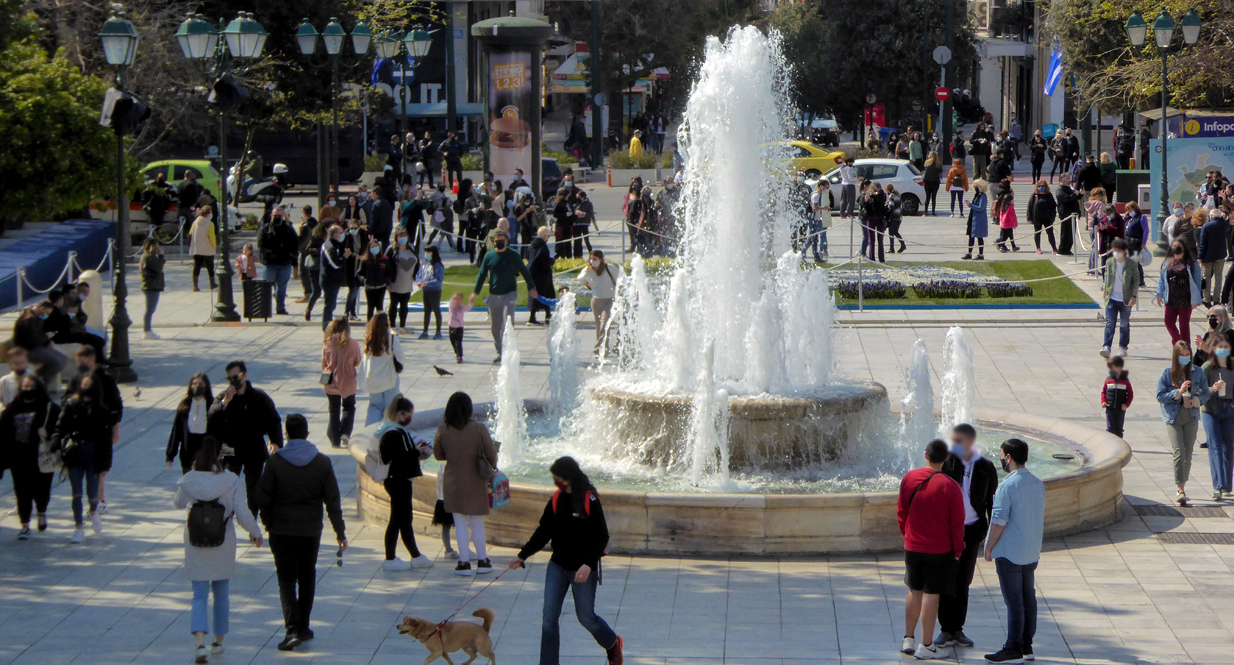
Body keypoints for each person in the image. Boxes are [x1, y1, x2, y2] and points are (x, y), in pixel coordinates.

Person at [509, 456, 624, 665]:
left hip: (582, 568)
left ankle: (612, 643)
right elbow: (544, 531)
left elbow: (602, 537)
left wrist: (588, 565)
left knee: (586, 618)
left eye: (558, 479)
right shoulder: (556, 500)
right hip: (557, 565)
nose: (556, 483)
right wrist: (522, 555)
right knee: (548, 619)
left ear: (569, 478)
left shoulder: (589, 501)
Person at [255, 414, 347, 652]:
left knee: (286, 579)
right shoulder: (322, 463)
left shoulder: (275, 463)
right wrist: (340, 533)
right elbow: (333, 501)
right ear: (307, 434)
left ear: (286, 434)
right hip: (310, 531)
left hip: (281, 530)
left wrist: (268, 522)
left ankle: (291, 630)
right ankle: (303, 627)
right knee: (306, 577)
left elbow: (262, 496)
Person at [174, 436, 263, 664]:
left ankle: (200, 644)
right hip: (222, 541)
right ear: (219, 456)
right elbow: (242, 513)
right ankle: (218, 641)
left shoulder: (189, 480)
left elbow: (178, 502)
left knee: (199, 595)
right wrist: (255, 531)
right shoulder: (231, 480)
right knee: (221, 592)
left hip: (196, 542)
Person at [896, 439, 965, 660]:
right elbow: (957, 523)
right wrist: (958, 549)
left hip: (913, 546)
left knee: (914, 591)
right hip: (939, 549)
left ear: (926, 454)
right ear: (946, 458)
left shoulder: (909, 478)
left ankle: (908, 638)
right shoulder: (950, 486)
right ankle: (926, 645)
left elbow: (901, 512)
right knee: (931, 595)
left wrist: (907, 535)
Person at [982, 439, 1047, 664]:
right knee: (1029, 598)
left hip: (1010, 553)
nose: (1001, 459)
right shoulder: (1037, 483)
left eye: (1002, 455)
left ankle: (1013, 647)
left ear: (1008, 457)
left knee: (1014, 602)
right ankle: (1027, 645)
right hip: (1030, 551)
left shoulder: (1007, 486)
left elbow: (998, 521)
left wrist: (989, 547)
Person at [935, 424, 997, 651]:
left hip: (971, 530)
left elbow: (991, 501)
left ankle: (957, 629)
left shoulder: (985, 467)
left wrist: (988, 531)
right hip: (948, 530)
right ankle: (944, 629)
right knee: (945, 581)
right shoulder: (947, 462)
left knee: (963, 582)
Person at [433, 391, 498, 576]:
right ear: (469, 409)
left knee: (459, 523)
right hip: (475, 480)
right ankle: (483, 560)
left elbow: (438, 455)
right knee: (477, 522)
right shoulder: (479, 429)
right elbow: (491, 456)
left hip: (453, 482)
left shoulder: (443, 429)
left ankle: (463, 563)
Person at [207, 360, 283, 517]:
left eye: (236, 376)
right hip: (229, 448)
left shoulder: (259, 397)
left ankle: (252, 520)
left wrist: (275, 442)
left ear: (245, 375)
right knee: (226, 486)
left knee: (254, 488)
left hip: (253, 448)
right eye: (230, 378)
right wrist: (224, 403)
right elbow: (211, 417)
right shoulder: (223, 397)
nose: (233, 381)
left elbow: (273, 421)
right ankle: (225, 518)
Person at [53, 375, 115, 543]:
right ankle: (78, 527)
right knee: (76, 494)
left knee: (92, 494)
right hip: (75, 454)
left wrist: (106, 464)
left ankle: (93, 512)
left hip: (94, 456)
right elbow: (60, 428)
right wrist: (56, 446)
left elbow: (106, 441)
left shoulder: (102, 410)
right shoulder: (71, 406)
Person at [377, 395, 435, 570]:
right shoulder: (395, 433)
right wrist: (417, 452)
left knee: (403, 519)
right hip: (399, 481)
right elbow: (400, 458)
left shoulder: (387, 429)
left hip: (394, 480)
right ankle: (393, 558)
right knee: (398, 519)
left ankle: (413, 555)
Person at [1, 375, 58, 539]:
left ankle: (41, 512)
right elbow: (2, 433)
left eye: (30, 387)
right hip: (19, 457)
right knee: (22, 491)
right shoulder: (13, 408)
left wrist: (48, 435)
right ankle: (24, 524)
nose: (27, 390)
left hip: (41, 457)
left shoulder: (49, 408)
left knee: (42, 490)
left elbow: (60, 429)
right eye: (24, 387)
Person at [1157, 340, 1211, 506]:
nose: (1185, 358)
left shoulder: (1197, 372)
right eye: (1182, 355)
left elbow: (1206, 393)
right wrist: (1178, 392)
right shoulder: (1168, 373)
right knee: (1179, 451)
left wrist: (1197, 400)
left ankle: (1183, 486)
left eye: (1187, 355)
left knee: (1187, 453)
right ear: (1176, 356)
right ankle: (1180, 490)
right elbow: (1160, 396)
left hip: (1191, 416)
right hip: (1173, 416)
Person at [471, 229, 537, 362]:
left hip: (510, 293)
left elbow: (524, 271)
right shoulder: (489, 256)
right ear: (493, 242)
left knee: (508, 321)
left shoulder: (513, 255)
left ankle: (509, 351)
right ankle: (500, 353)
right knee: (495, 326)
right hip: (494, 294)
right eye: (496, 241)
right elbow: (482, 275)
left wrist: (532, 287)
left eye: (501, 241)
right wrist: (475, 293)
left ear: (506, 241)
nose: (499, 243)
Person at [359, 312, 405, 426]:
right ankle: (389, 431)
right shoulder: (391, 338)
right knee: (390, 407)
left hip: (373, 378)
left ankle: (370, 430)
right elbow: (400, 358)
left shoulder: (368, 338)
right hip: (389, 378)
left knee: (375, 406)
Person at [321, 318, 361, 449]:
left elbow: (324, 362)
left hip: (331, 380)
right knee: (349, 407)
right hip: (348, 379)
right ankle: (345, 432)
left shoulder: (327, 343)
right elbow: (357, 361)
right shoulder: (352, 344)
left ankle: (334, 440)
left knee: (333, 410)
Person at [1202, 337, 1234, 500]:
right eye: (1219, 347)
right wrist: (1212, 389)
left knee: (1228, 446)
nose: (1223, 350)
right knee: (1214, 446)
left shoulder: (1232, 365)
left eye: (1225, 347)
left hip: (1228, 408)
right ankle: (1218, 486)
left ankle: (1227, 485)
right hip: (1210, 409)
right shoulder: (1208, 367)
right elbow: (1199, 389)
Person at [12, 304, 66, 397]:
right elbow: (33, 339)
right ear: (41, 308)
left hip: (37, 346)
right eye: (46, 312)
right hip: (26, 349)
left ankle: (50, 386)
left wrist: (48, 342)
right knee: (55, 362)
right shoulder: (28, 320)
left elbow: (39, 335)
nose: (46, 315)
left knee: (63, 358)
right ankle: (42, 386)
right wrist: (46, 337)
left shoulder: (36, 318)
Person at [1155, 240, 1202, 344]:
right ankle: (1179, 344)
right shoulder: (1167, 263)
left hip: (1186, 299)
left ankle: (1185, 352)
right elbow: (1162, 280)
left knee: (1184, 325)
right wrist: (1159, 294)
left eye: (1179, 246)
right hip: (1171, 298)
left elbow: (1197, 282)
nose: (1176, 248)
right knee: (1168, 322)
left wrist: (1197, 300)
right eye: (1174, 246)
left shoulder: (1191, 263)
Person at [1100, 238, 1141, 359]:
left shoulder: (1131, 264)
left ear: (1124, 251)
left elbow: (1136, 280)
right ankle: (1106, 347)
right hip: (1111, 298)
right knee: (1109, 323)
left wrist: (1134, 296)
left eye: (1118, 250)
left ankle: (1123, 347)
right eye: (1114, 250)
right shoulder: (1109, 262)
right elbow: (1107, 277)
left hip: (1125, 299)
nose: (1116, 252)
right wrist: (1105, 290)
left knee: (1124, 324)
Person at [167, 373, 214, 475]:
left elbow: (219, 430)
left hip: (206, 451)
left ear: (206, 386)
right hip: (188, 451)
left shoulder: (212, 404)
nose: (197, 386)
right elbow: (176, 431)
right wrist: (170, 455)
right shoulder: (185, 405)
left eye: (200, 384)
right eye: (194, 383)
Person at [259, 206, 299, 315]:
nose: (276, 218)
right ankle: (265, 308)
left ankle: (280, 307)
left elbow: (296, 243)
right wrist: (269, 254)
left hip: (284, 262)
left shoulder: (288, 228)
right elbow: (260, 245)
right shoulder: (265, 229)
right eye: (275, 215)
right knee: (267, 286)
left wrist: (293, 259)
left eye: (279, 216)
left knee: (282, 287)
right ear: (271, 216)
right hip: (270, 263)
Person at [385, 228, 418, 335]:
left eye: (404, 236)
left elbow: (417, 263)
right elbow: (385, 265)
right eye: (400, 236)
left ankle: (403, 326)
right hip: (395, 282)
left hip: (407, 282)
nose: (402, 238)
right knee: (394, 304)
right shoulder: (392, 249)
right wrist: (387, 282)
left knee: (404, 304)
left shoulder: (411, 248)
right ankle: (392, 326)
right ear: (396, 238)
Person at [318, 224, 350, 332]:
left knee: (332, 304)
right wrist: (344, 257)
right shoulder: (329, 246)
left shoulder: (336, 245)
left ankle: (329, 325)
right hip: (329, 281)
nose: (343, 235)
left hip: (335, 281)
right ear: (335, 234)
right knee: (329, 304)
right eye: (341, 233)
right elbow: (335, 264)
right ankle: (326, 327)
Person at [1199, 207, 1230, 307]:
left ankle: (1207, 298)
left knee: (1206, 277)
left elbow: (1202, 243)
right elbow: (1227, 224)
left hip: (1207, 256)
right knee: (1218, 277)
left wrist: (1200, 255)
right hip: (1220, 255)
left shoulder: (1206, 226)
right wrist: (1222, 218)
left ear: (1210, 216)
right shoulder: (1224, 225)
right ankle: (1217, 299)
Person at [528, 226, 557, 326]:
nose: (548, 238)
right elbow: (546, 262)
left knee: (533, 294)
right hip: (543, 275)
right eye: (548, 236)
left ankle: (532, 316)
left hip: (533, 274)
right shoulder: (543, 247)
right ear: (545, 236)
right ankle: (547, 315)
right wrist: (552, 260)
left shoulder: (531, 245)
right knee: (546, 294)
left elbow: (527, 256)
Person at [358, 238, 392, 321]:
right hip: (369, 287)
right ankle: (369, 326)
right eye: (372, 247)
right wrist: (364, 281)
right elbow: (359, 273)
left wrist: (386, 282)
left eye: (376, 246)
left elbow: (389, 272)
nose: (374, 248)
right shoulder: (365, 261)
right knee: (370, 307)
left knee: (379, 306)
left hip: (381, 286)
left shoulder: (384, 260)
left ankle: (381, 325)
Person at [416, 245, 445, 338]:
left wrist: (427, 283)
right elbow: (419, 275)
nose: (426, 254)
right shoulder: (424, 264)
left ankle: (438, 331)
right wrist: (419, 281)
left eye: (428, 252)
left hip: (435, 291)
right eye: (425, 252)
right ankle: (425, 331)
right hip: (426, 291)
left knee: (436, 309)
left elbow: (438, 280)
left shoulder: (437, 265)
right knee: (427, 311)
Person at [1101, 356, 1134, 438]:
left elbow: (1130, 394)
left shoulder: (1125, 381)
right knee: (1110, 428)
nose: (1110, 371)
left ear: (1119, 368)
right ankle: (1110, 444)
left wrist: (1126, 405)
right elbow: (1104, 392)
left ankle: (1120, 443)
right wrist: (1103, 401)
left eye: (1112, 368)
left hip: (1120, 409)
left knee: (1119, 428)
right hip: (1110, 407)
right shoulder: (1108, 380)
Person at [139, 237, 165, 339]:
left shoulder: (147, 256)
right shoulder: (150, 257)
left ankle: (147, 330)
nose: (158, 248)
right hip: (151, 286)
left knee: (150, 309)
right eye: (156, 246)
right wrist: (161, 256)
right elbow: (158, 268)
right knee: (150, 310)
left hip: (150, 285)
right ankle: (147, 330)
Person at [1025, 179, 1058, 254]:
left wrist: (1053, 216)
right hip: (1037, 217)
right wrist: (1029, 218)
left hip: (1047, 218)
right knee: (1037, 233)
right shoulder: (1034, 195)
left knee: (1050, 233)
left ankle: (1054, 248)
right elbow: (1029, 207)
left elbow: (1053, 206)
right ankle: (1038, 248)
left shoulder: (1049, 195)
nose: (1041, 187)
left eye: (1043, 186)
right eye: (1039, 186)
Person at [189, 206, 217, 292]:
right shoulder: (210, 224)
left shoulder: (195, 222)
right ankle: (212, 284)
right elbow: (211, 237)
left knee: (197, 266)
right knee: (210, 267)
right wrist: (214, 245)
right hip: (207, 249)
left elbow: (190, 233)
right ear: (208, 214)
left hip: (197, 248)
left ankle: (195, 286)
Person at [295, 206, 319, 304]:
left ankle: (307, 294)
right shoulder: (315, 224)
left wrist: (298, 249)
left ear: (303, 212)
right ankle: (312, 292)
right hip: (313, 250)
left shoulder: (306, 226)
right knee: (311, 273)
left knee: (303, 273)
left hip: (305, 251)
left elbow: (301, 240)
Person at [962, 180, 989, 261]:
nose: (974, 188)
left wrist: (970, 205)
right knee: (971, 236)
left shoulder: (983, 196)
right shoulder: (977, 195)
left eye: (975, 186)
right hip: (973, 218)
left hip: (979, 219)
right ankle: (969, 253)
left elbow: (981, 208)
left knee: (979, 237)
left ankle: (981, 254)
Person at [1054, 175, 1080, 255]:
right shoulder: (1060, 190)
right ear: (1062, 180)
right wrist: (1075, 194)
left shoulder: (1069, 188)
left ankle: (1068, 249)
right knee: (1065, 232)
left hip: (1072, 213)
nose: (1069, 180)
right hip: (1065, 213)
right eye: (1067, 179)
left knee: (1071, 233)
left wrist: (1079, 193)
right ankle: (1062, 249)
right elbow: (1066, 198)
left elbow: (1074, 198)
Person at [807, 180, 832, 261]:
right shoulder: (816, 195)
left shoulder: (817, 194)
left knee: (814, 239)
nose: (826, 189)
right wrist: (823, 208)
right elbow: (814, 208)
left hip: (816, 218)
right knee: (811, 238)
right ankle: (802, 253)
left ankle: (816, 256)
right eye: (826, 187)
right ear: (821, 186)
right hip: (814, 219)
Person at [864, 182, 887, 262]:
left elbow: (881, 201)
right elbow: (867, 208)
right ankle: (872, 257)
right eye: (872, 188)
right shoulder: (871, 196)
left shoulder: (881, 194)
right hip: (871, 218)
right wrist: (866, 200)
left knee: (880, 239)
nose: (873, 190)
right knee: (871, 239)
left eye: (875, 188)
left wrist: (875, 194)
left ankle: (881, 257)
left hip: (880, 218)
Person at [447, 292, 472, 364]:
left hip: (459, 328)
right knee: (452, 342)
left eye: (459, 300)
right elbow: (451, 301)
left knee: (458, 343)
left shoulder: (461, 308)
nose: (457, 301)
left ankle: (459, 356)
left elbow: (468, 307)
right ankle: (457, 353)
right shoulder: (451, 307)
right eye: (455, 299)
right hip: (451, 327)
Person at [994, 181, 1019, 253]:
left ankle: (1013, 246)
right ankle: (1000, 243)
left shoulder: (1000, 193)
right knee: (1005, 235)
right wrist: (1015, 223)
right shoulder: (1007, 195)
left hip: (1002, 220)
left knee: (1008, 234)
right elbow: (1012, 216)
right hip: (1007, 222)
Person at [885, 184, 906, 254]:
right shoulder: (897, 196)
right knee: (895, 232)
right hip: (899, 216)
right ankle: (902, 244)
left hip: (894, 216)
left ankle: (892, 248)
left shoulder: (892, 196)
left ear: (887, 190)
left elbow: (891, 206)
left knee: (891, 232)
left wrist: (887, 204)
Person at [922, 152, 942, 216]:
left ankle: (925, 211)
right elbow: (940, 171)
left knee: (927, 197)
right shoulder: (937, 163)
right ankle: (933, 212)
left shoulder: (927, 162)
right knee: (934, 197)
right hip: (935, 182)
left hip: (927, 181)